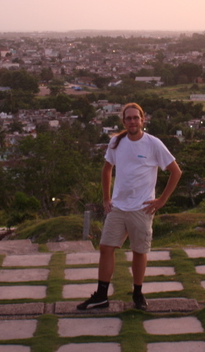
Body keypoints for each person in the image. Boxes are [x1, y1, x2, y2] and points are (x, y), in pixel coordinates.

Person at [77, 102, 182, 311]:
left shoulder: (153, 144)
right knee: (106, 248)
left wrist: (162, 200)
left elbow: (176, 171)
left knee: (139, 251)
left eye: (136, 117)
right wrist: (106, 198)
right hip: (118, 207)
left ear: (142, 120)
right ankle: (101, 295)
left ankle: (137, 293)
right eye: (128, 118)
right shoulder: (116, 142)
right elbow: (107, 169)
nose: (132, 121)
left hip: (142, 208)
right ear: (123, 121)